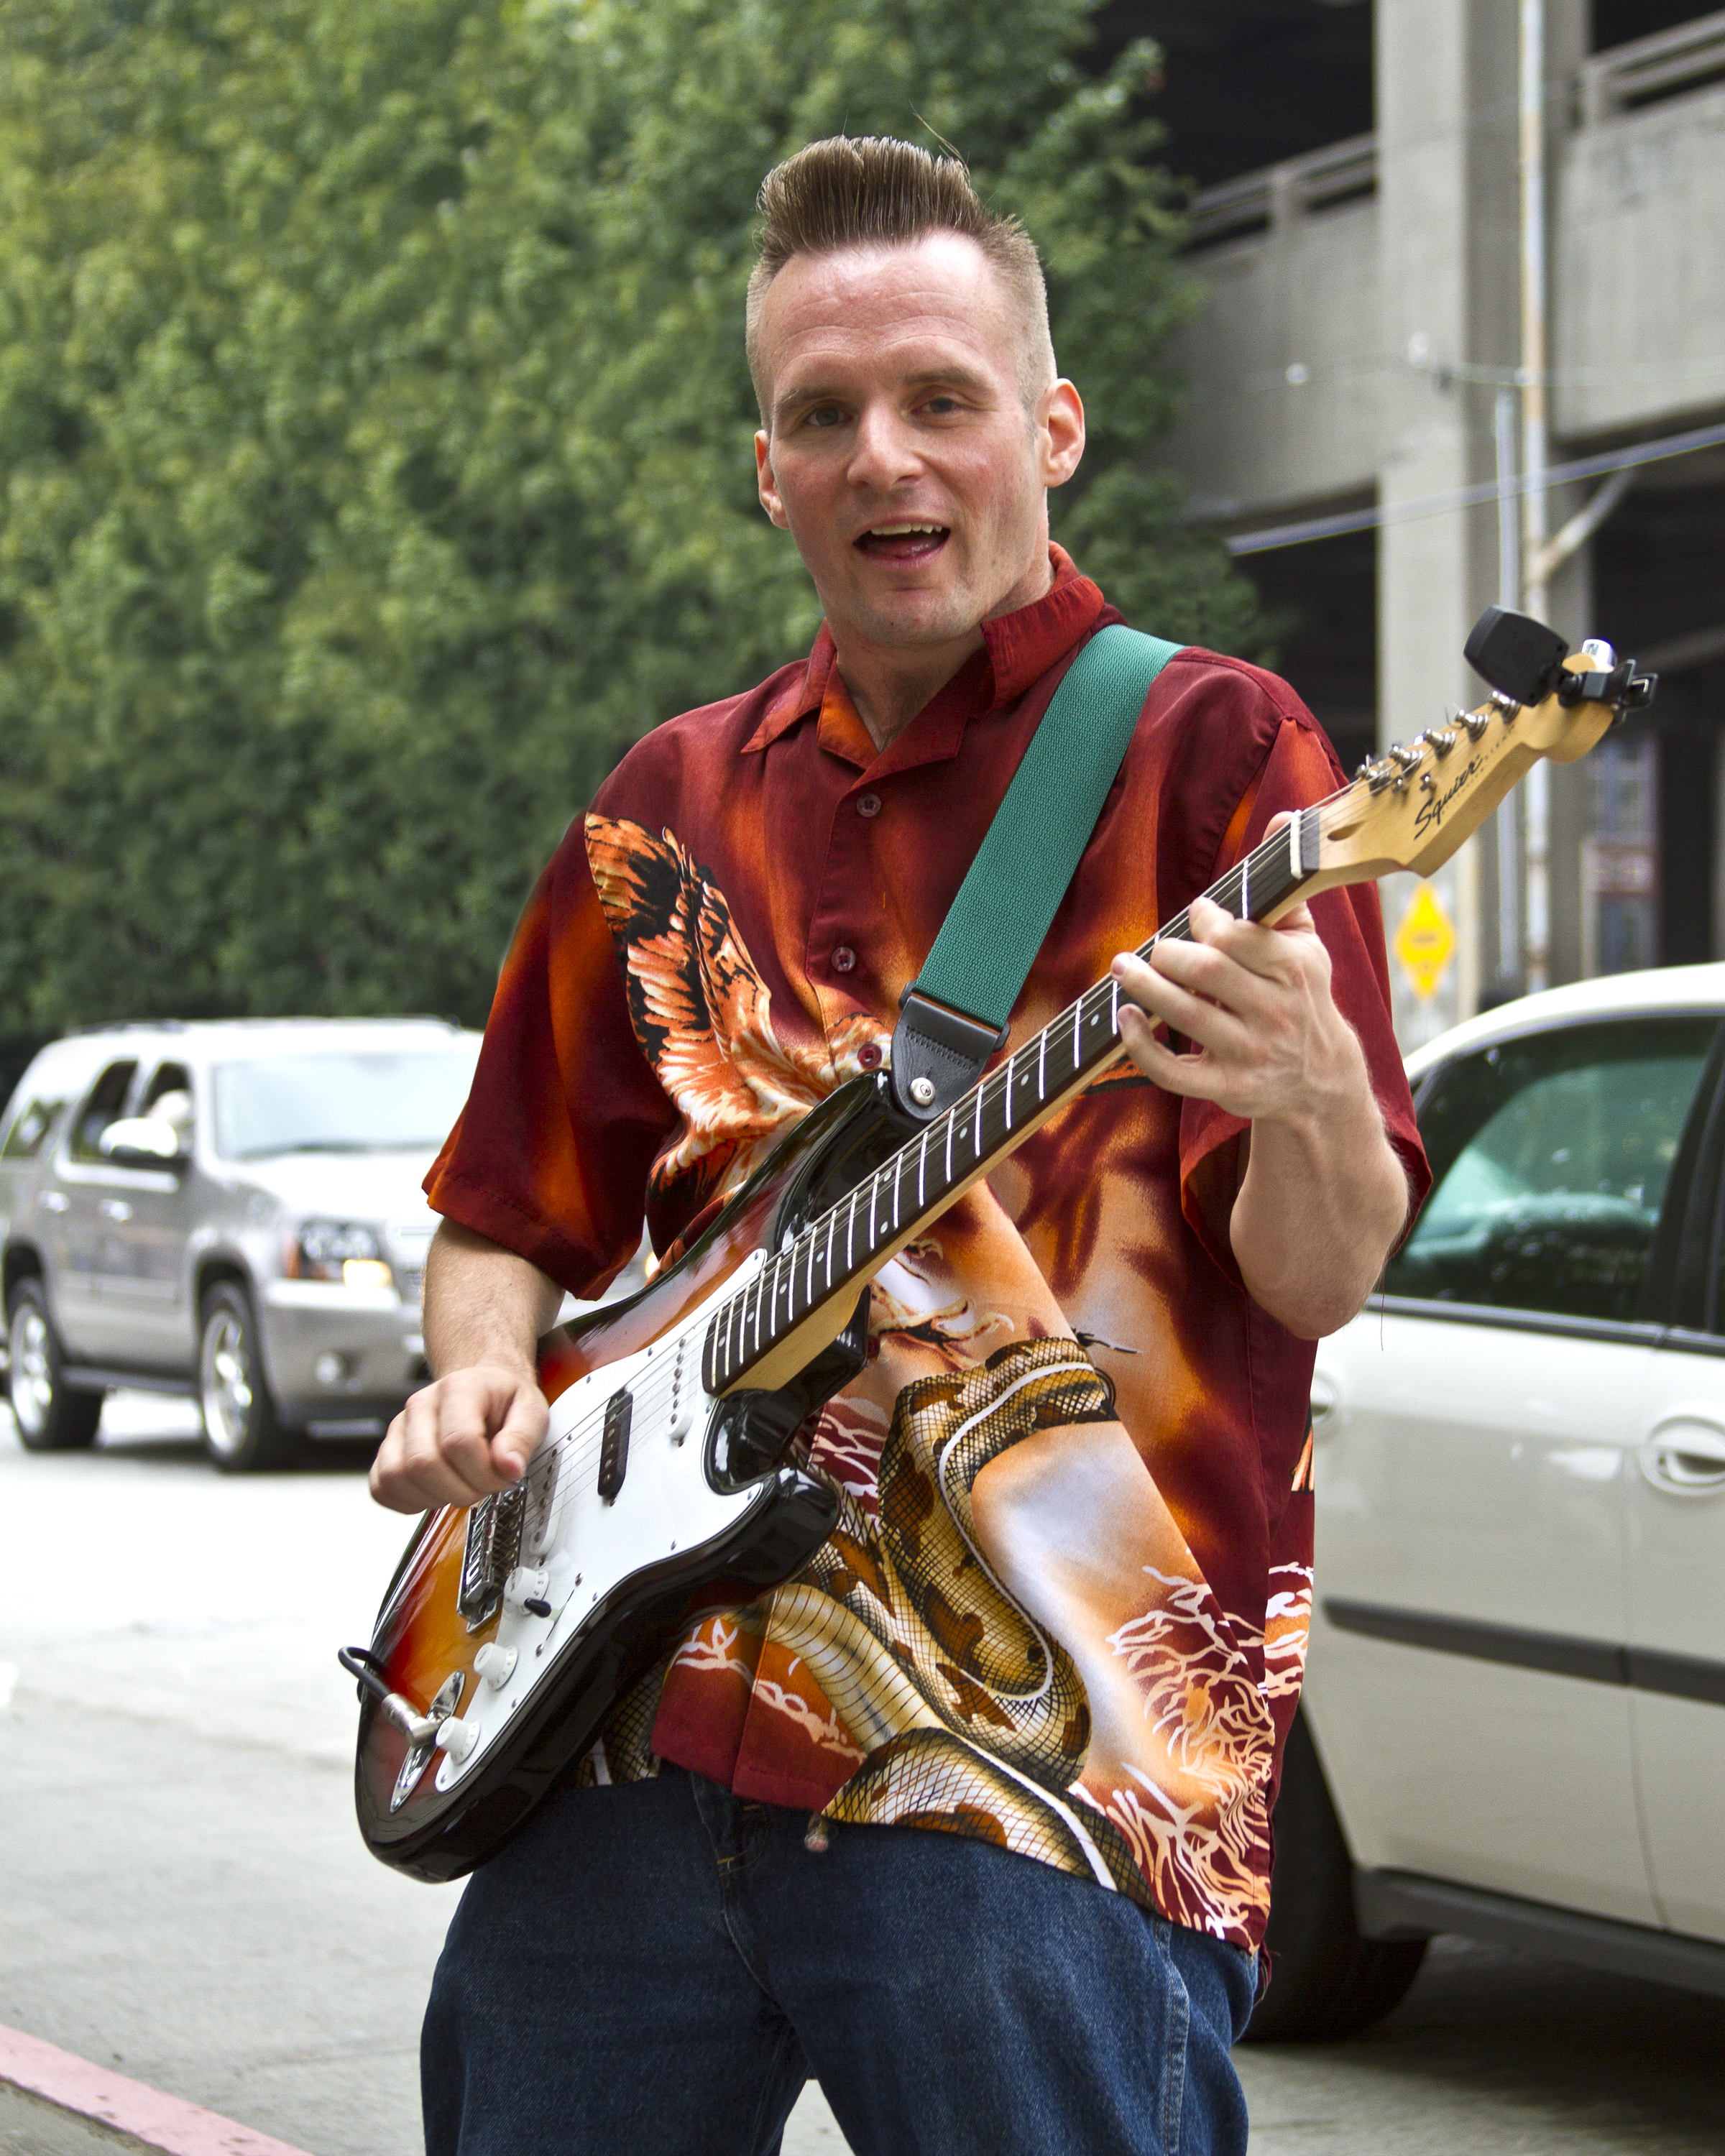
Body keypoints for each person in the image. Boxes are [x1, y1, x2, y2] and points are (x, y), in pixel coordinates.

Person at [371, 136, 1426, 2156]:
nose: (886, 456)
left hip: (1033, 1794)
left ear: (1052, 426)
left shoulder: (1221, 761)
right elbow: (503, 1208)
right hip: (633, 1742)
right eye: (823, 415)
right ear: (766, 468)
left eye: (941, 398)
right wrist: (484, 1367)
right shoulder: (667, 803)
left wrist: (1303, 1098)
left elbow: (1317, 1276)